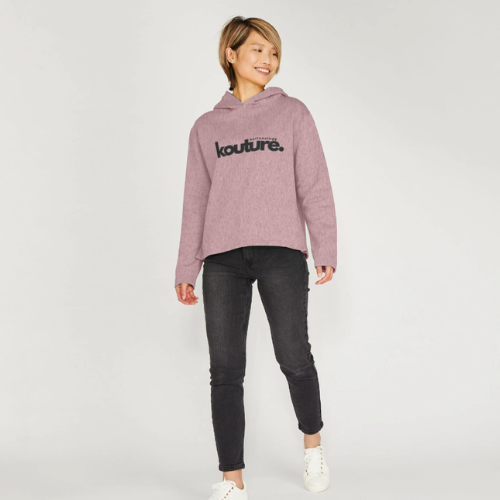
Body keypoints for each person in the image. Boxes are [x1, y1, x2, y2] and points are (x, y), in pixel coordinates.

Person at [174, 16, 337, 500]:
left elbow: (314, 183)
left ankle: (313, 447)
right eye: (258, 50)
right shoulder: (206, 127)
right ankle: (232, 480)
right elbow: (195, 202)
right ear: (232, 54)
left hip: (280, 251)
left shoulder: (293, 113)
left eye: (274, 52)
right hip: (223, 259)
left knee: (294, 356)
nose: (268, 60)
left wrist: (324, 246)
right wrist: (187, 267)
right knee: (225, 370)